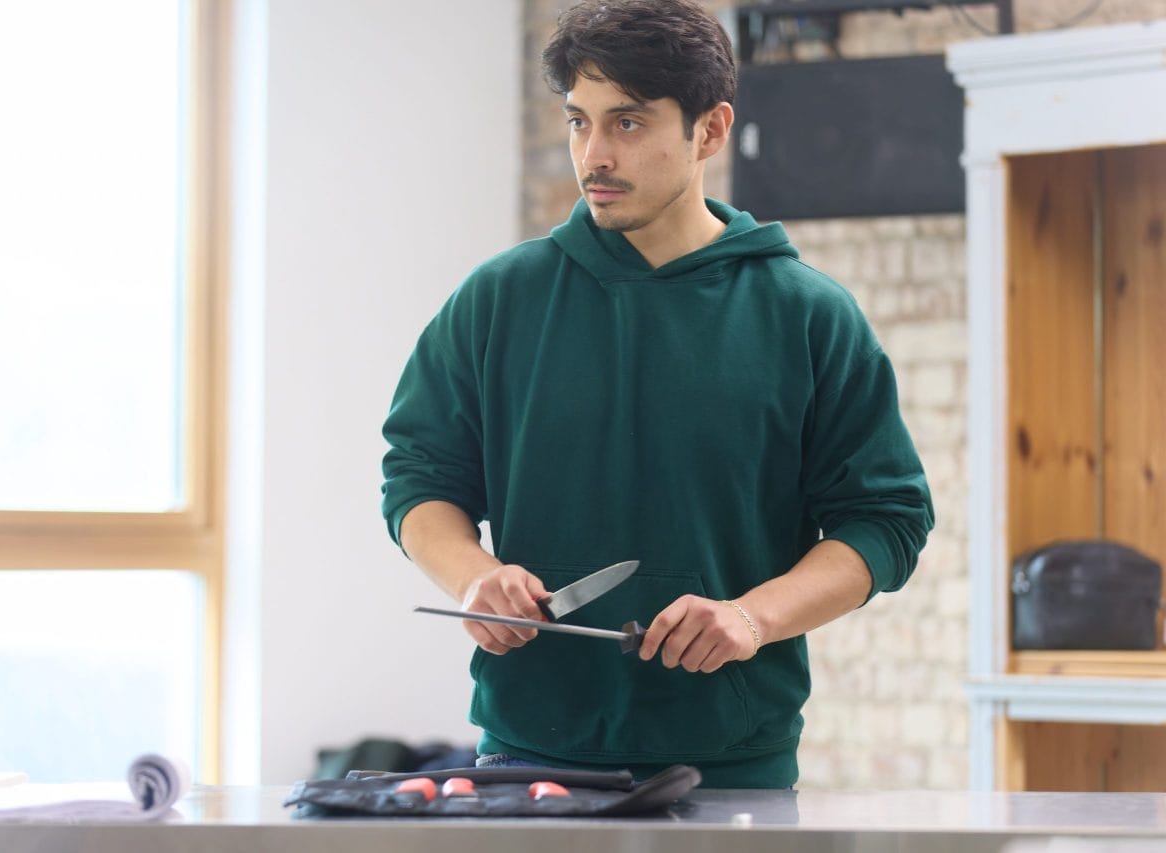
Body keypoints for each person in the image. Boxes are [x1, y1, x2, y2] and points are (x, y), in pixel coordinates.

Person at [380, 0, 934, 789]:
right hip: (526, 757)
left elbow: (887, 521)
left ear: (708, 131)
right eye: (579, 122)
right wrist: (472, 573)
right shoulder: (498, 300)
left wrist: (751, 617)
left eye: (628, 124)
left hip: (732, 765)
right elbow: (420, 480)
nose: (593, 155)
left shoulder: (808, 315)